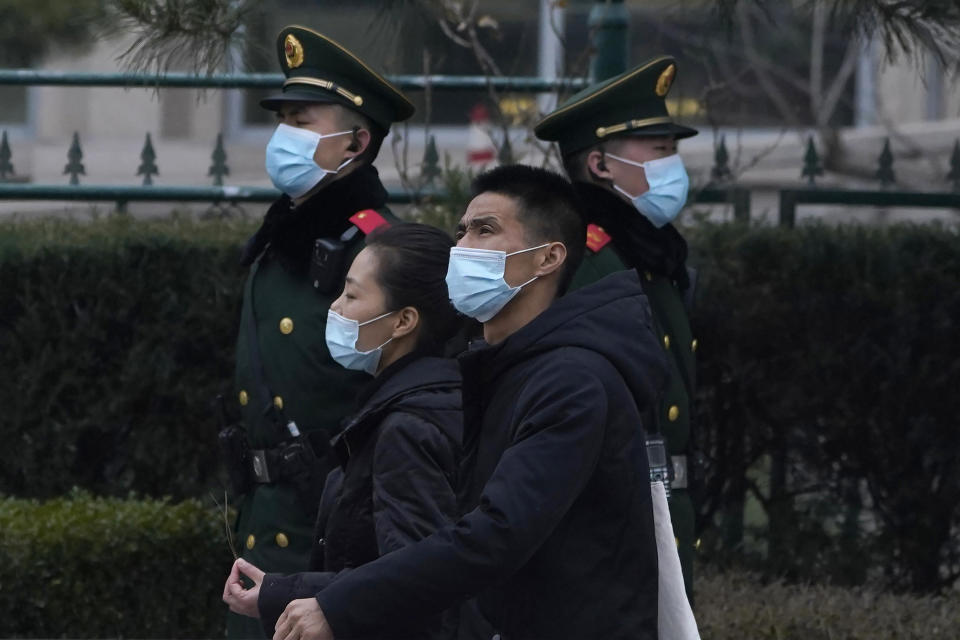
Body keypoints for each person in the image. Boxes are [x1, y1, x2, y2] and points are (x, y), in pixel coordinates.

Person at [268, 165, 669, 640]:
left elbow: (494, 535)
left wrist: (337, 607)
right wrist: (290, 592)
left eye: (486, 230)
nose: (462, 247)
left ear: (547, 258)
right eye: (461, 231)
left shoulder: (572, 381)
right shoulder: (504, 369)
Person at [219, 25, 415, 639]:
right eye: (284, 120)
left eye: (303, 122)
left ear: (356, 141)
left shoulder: (381, 248)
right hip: (263, 520)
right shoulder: (284, 239)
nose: (284, 137)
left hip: (336, 534)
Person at [222, 223, 464, 640]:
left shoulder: (406, 426)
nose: (335, 307)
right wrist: (283, 592)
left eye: (351, 295)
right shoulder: (412, 404)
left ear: (404, 320)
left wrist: (291, 593)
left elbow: (414, 579)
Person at [534, 55, 700, 601]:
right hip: (611, 521)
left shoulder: (652, 253)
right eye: (660, 151)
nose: (674, 165)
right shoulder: (587, 262)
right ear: (601, 165)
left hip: (663, 512)